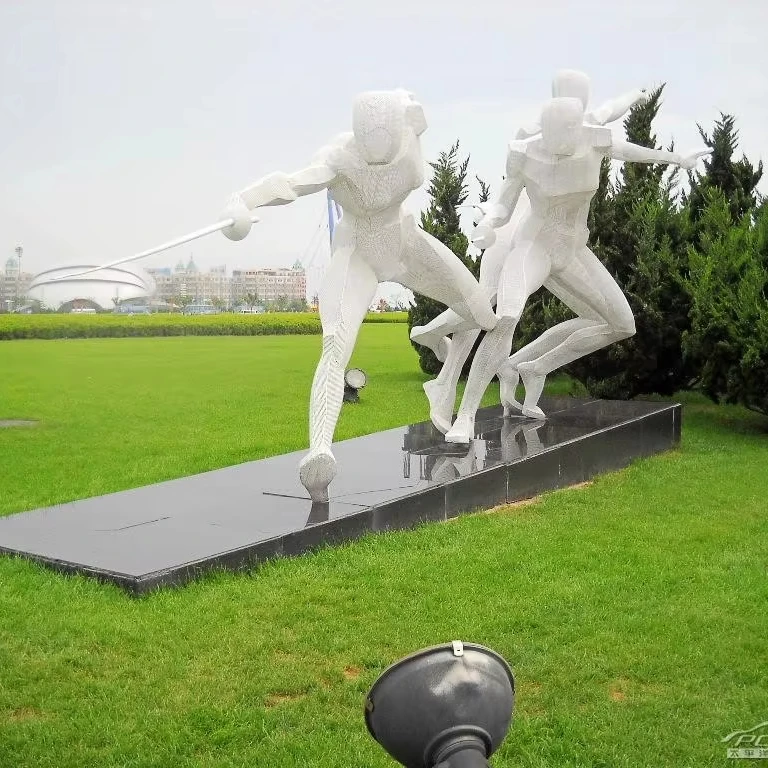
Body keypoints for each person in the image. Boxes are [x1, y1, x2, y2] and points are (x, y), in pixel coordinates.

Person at [219, 90, 497, 500]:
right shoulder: (338, 157)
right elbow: (292, 184)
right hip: (357, 256)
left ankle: (433, 348)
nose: (379, 151)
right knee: (335, 343)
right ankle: (319, 453)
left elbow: (413, 122)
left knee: (482, 316)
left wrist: (413, 118)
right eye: (371, 142)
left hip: (405, 245)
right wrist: (244, 200)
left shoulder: (409, 144)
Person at [413, 88, 708, 444]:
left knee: (621, 324)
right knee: (505, 317)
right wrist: (489, 223)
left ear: (574, 128)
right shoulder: (525, 153)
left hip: (572, 250)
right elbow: (506, 203)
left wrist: (677, 159)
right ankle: (465, 417)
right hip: (534, 246)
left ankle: (533, 367)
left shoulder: (594, 139)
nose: (554, 147)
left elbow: (630, 150)